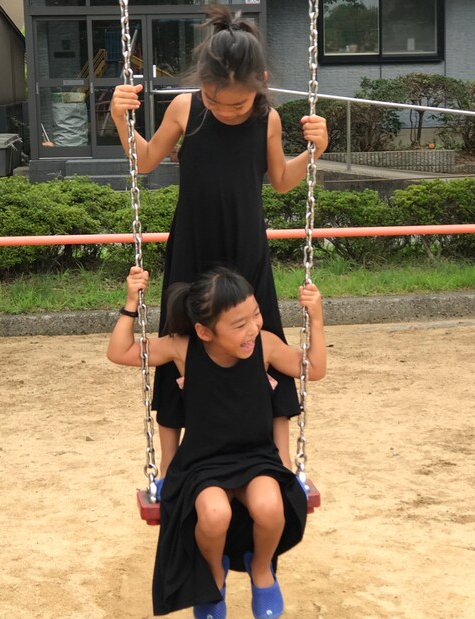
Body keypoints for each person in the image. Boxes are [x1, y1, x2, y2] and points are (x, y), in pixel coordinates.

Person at [110, 4, 329, 475]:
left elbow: (281, 180)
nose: (226, 110)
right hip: (193, 241)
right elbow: (144, 161)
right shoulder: (185, 108)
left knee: (261, 333)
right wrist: (120, 118)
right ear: (202, 84)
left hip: (247, 244)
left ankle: (278, 455)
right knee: (180, 335)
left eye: (238, 104)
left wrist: (315, 151)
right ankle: (171, 464)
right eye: (215, 100)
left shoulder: (267, 120)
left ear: (260, 84)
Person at [107, 265, 327, 619]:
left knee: (271, 507)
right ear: (204, 331)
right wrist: (132, 302)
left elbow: (313, 369)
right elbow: (120, 352)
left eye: (256, 315)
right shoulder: (183, 349)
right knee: (214, 515)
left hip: (256, 457)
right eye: (239, 325)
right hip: (203, 463)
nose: (253, 328)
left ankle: (261, 569)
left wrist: (315, 318)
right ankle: (214, 573)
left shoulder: (266, 345)